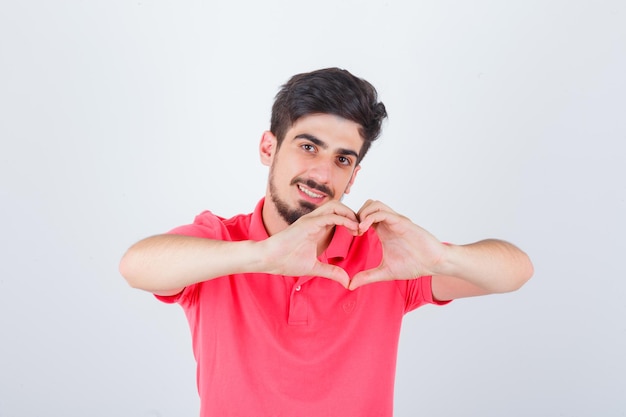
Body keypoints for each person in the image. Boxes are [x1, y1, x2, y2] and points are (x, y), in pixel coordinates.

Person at [119, 67, 533, 417]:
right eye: (308, 146)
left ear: (353, 177)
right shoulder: (219, 244)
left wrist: (442, 257)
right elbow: (136, 266)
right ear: (269, 147)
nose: (322, 173)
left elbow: (515, 273)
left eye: (342, 158)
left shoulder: (383, 255)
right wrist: (261, 255)